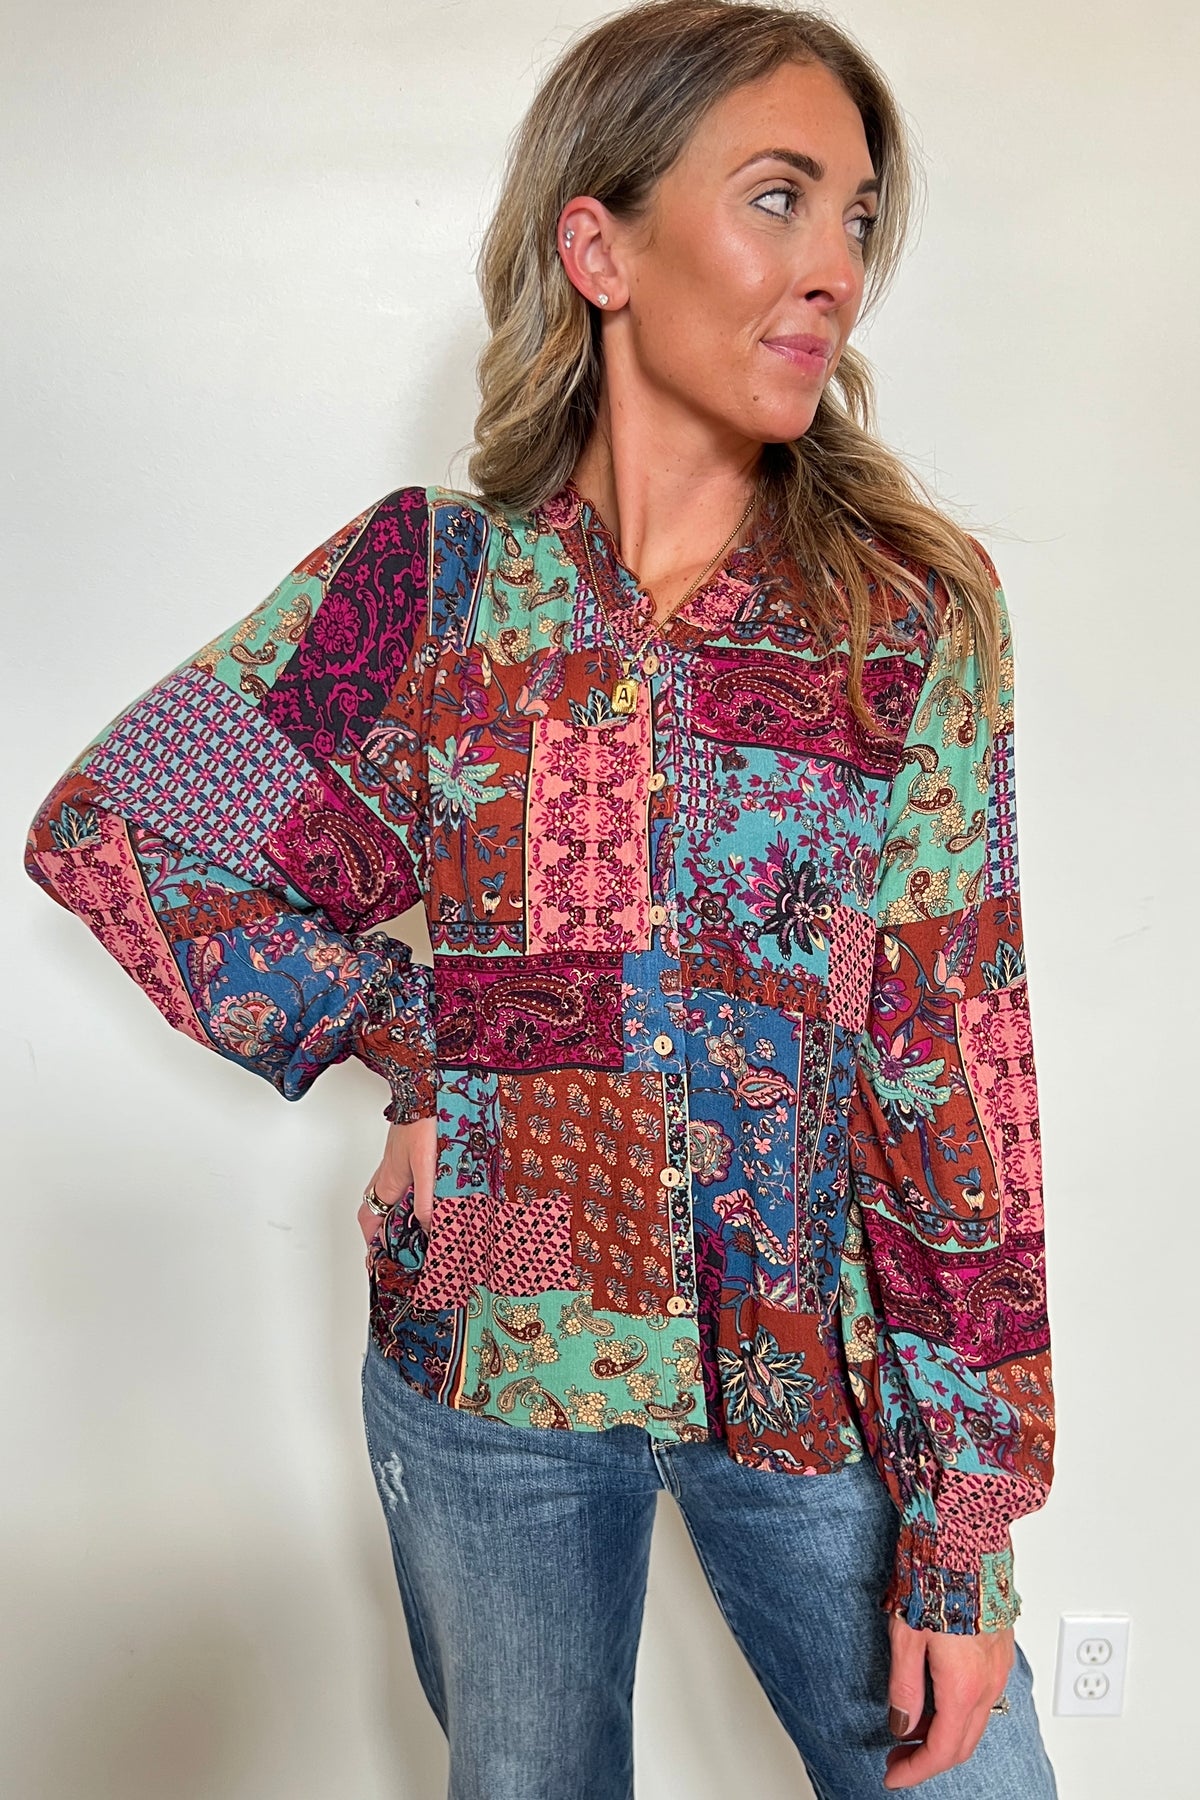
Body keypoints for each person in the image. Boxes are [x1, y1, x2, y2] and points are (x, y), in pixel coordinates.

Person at [23, 2, 1057, 1795]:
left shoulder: (902, 615)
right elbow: (121, 827)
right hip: (494, 1313)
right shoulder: (434, 586)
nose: (834, 266)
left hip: (801, 1339)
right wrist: (417, 1033)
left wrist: (963, 1527)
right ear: (601, 247)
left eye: (857, 216)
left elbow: (951, 1052)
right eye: (779, 197)